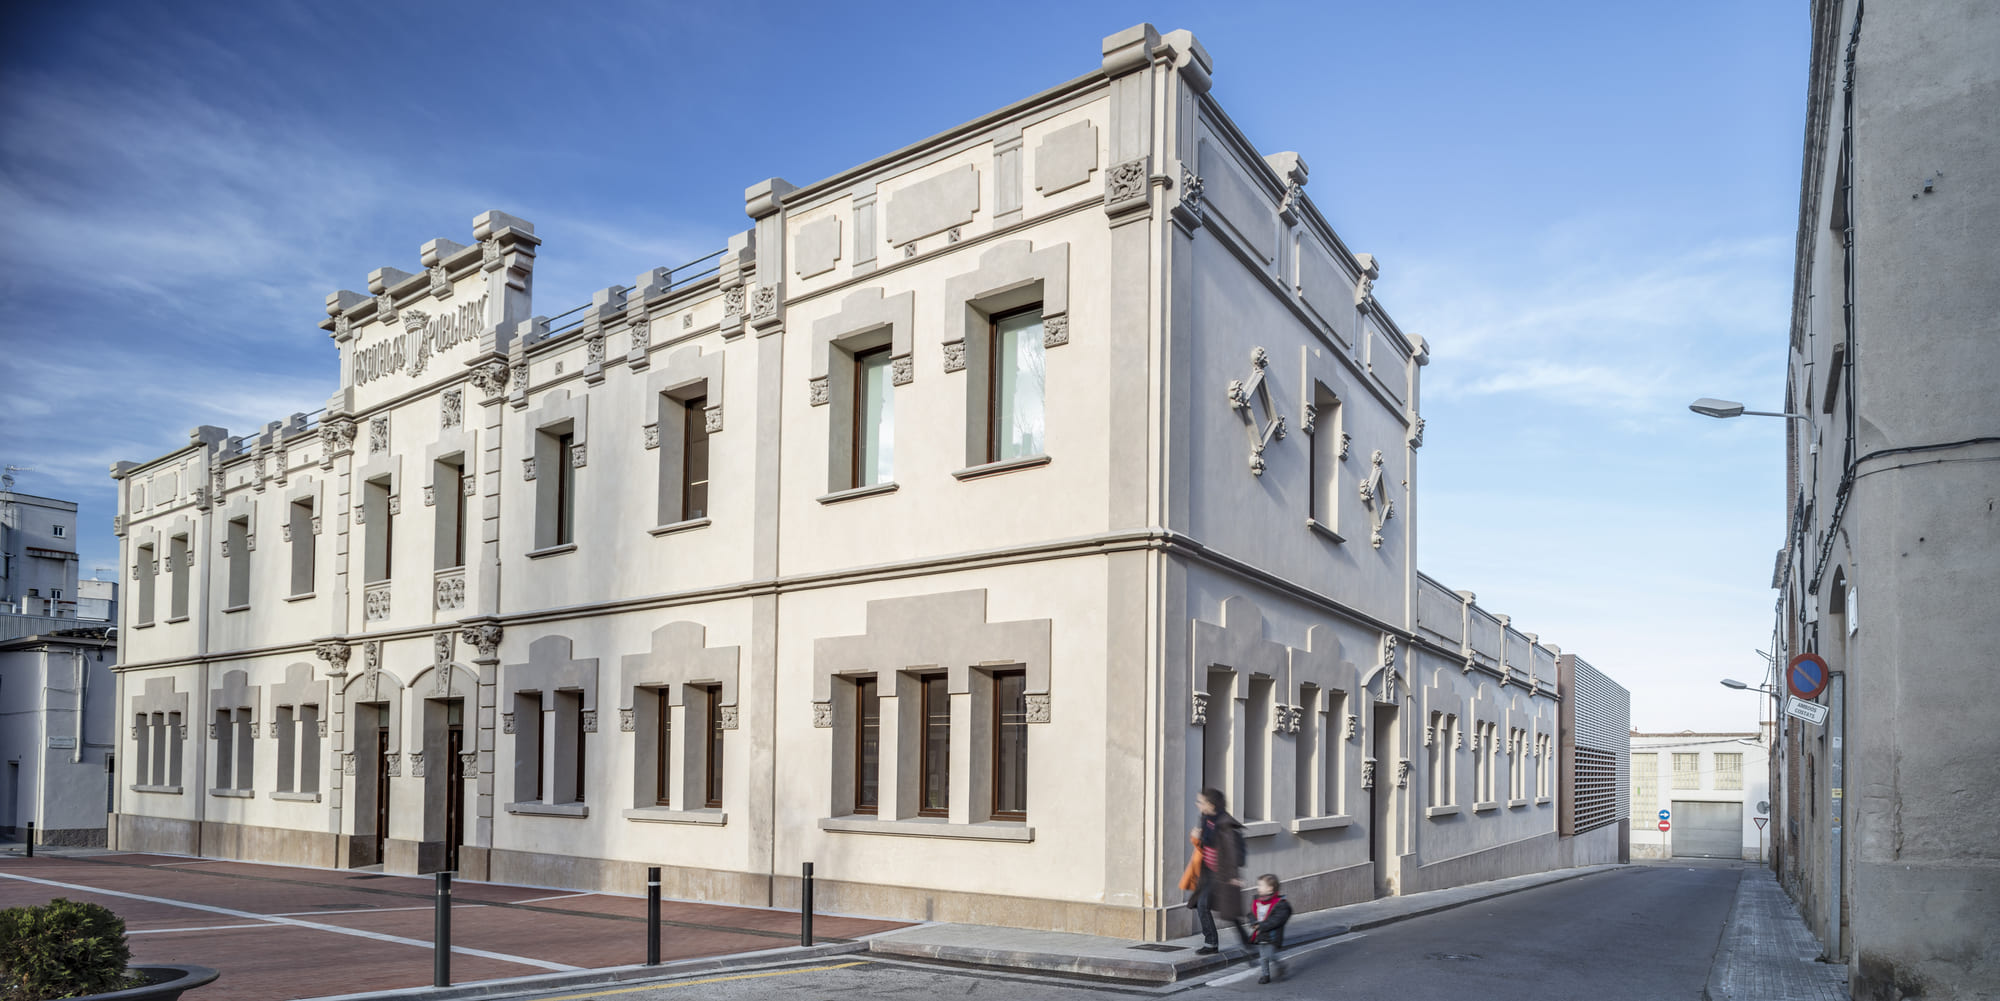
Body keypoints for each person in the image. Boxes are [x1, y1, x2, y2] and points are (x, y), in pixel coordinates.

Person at [1190, 787, 1248, 955]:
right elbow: (1206, 844)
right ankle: (1243, 939)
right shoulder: (1205, 818)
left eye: (1200, 802)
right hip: (1207, 872)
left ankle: (1211, 944)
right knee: (1222, 909)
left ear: (1210, 804)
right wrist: (1197, 838)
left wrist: (1233, 876)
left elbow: (1234, 852)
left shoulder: (1224, 823)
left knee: (1206, 905)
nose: (1198, 805)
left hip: (1221, 874)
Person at [1248, 873, 1293, 984]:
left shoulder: (1280, 904)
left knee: (1269, 955)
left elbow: (1277, 920)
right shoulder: (1257, 902)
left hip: (1272, 935)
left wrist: (1261, 925)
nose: (1258, 888)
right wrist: (1254, 922)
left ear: (1270, 889)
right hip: (1260, 933)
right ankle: (1265, 975)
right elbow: (1251, 914)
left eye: (1260, 885)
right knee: (1263, 957)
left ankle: (1280, 966)